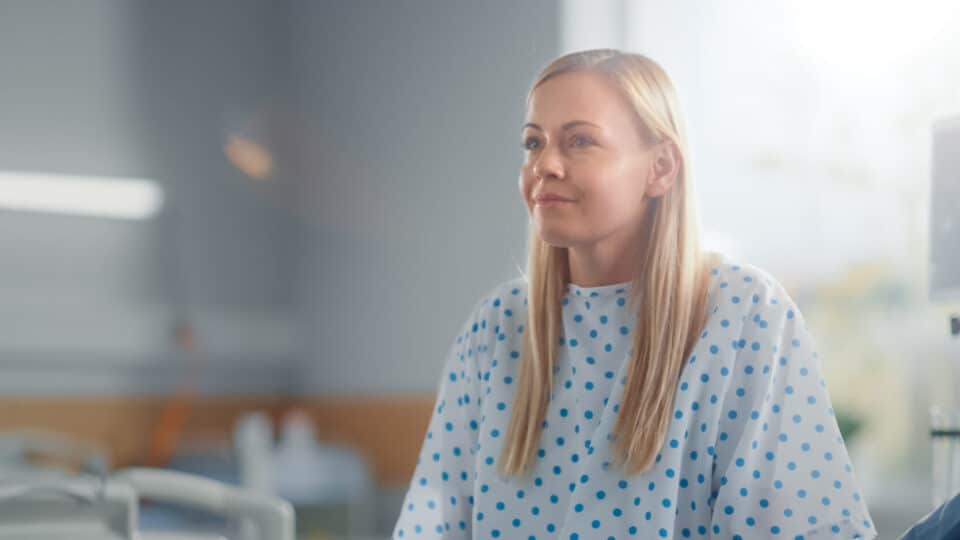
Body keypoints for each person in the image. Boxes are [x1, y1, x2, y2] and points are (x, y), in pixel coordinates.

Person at [391, 48, 877, 539]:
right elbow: (431, 523)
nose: (545, 165)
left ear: (660, 167)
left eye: (580, 140)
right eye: (533, 143)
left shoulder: (747, 318)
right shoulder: (495, 329)